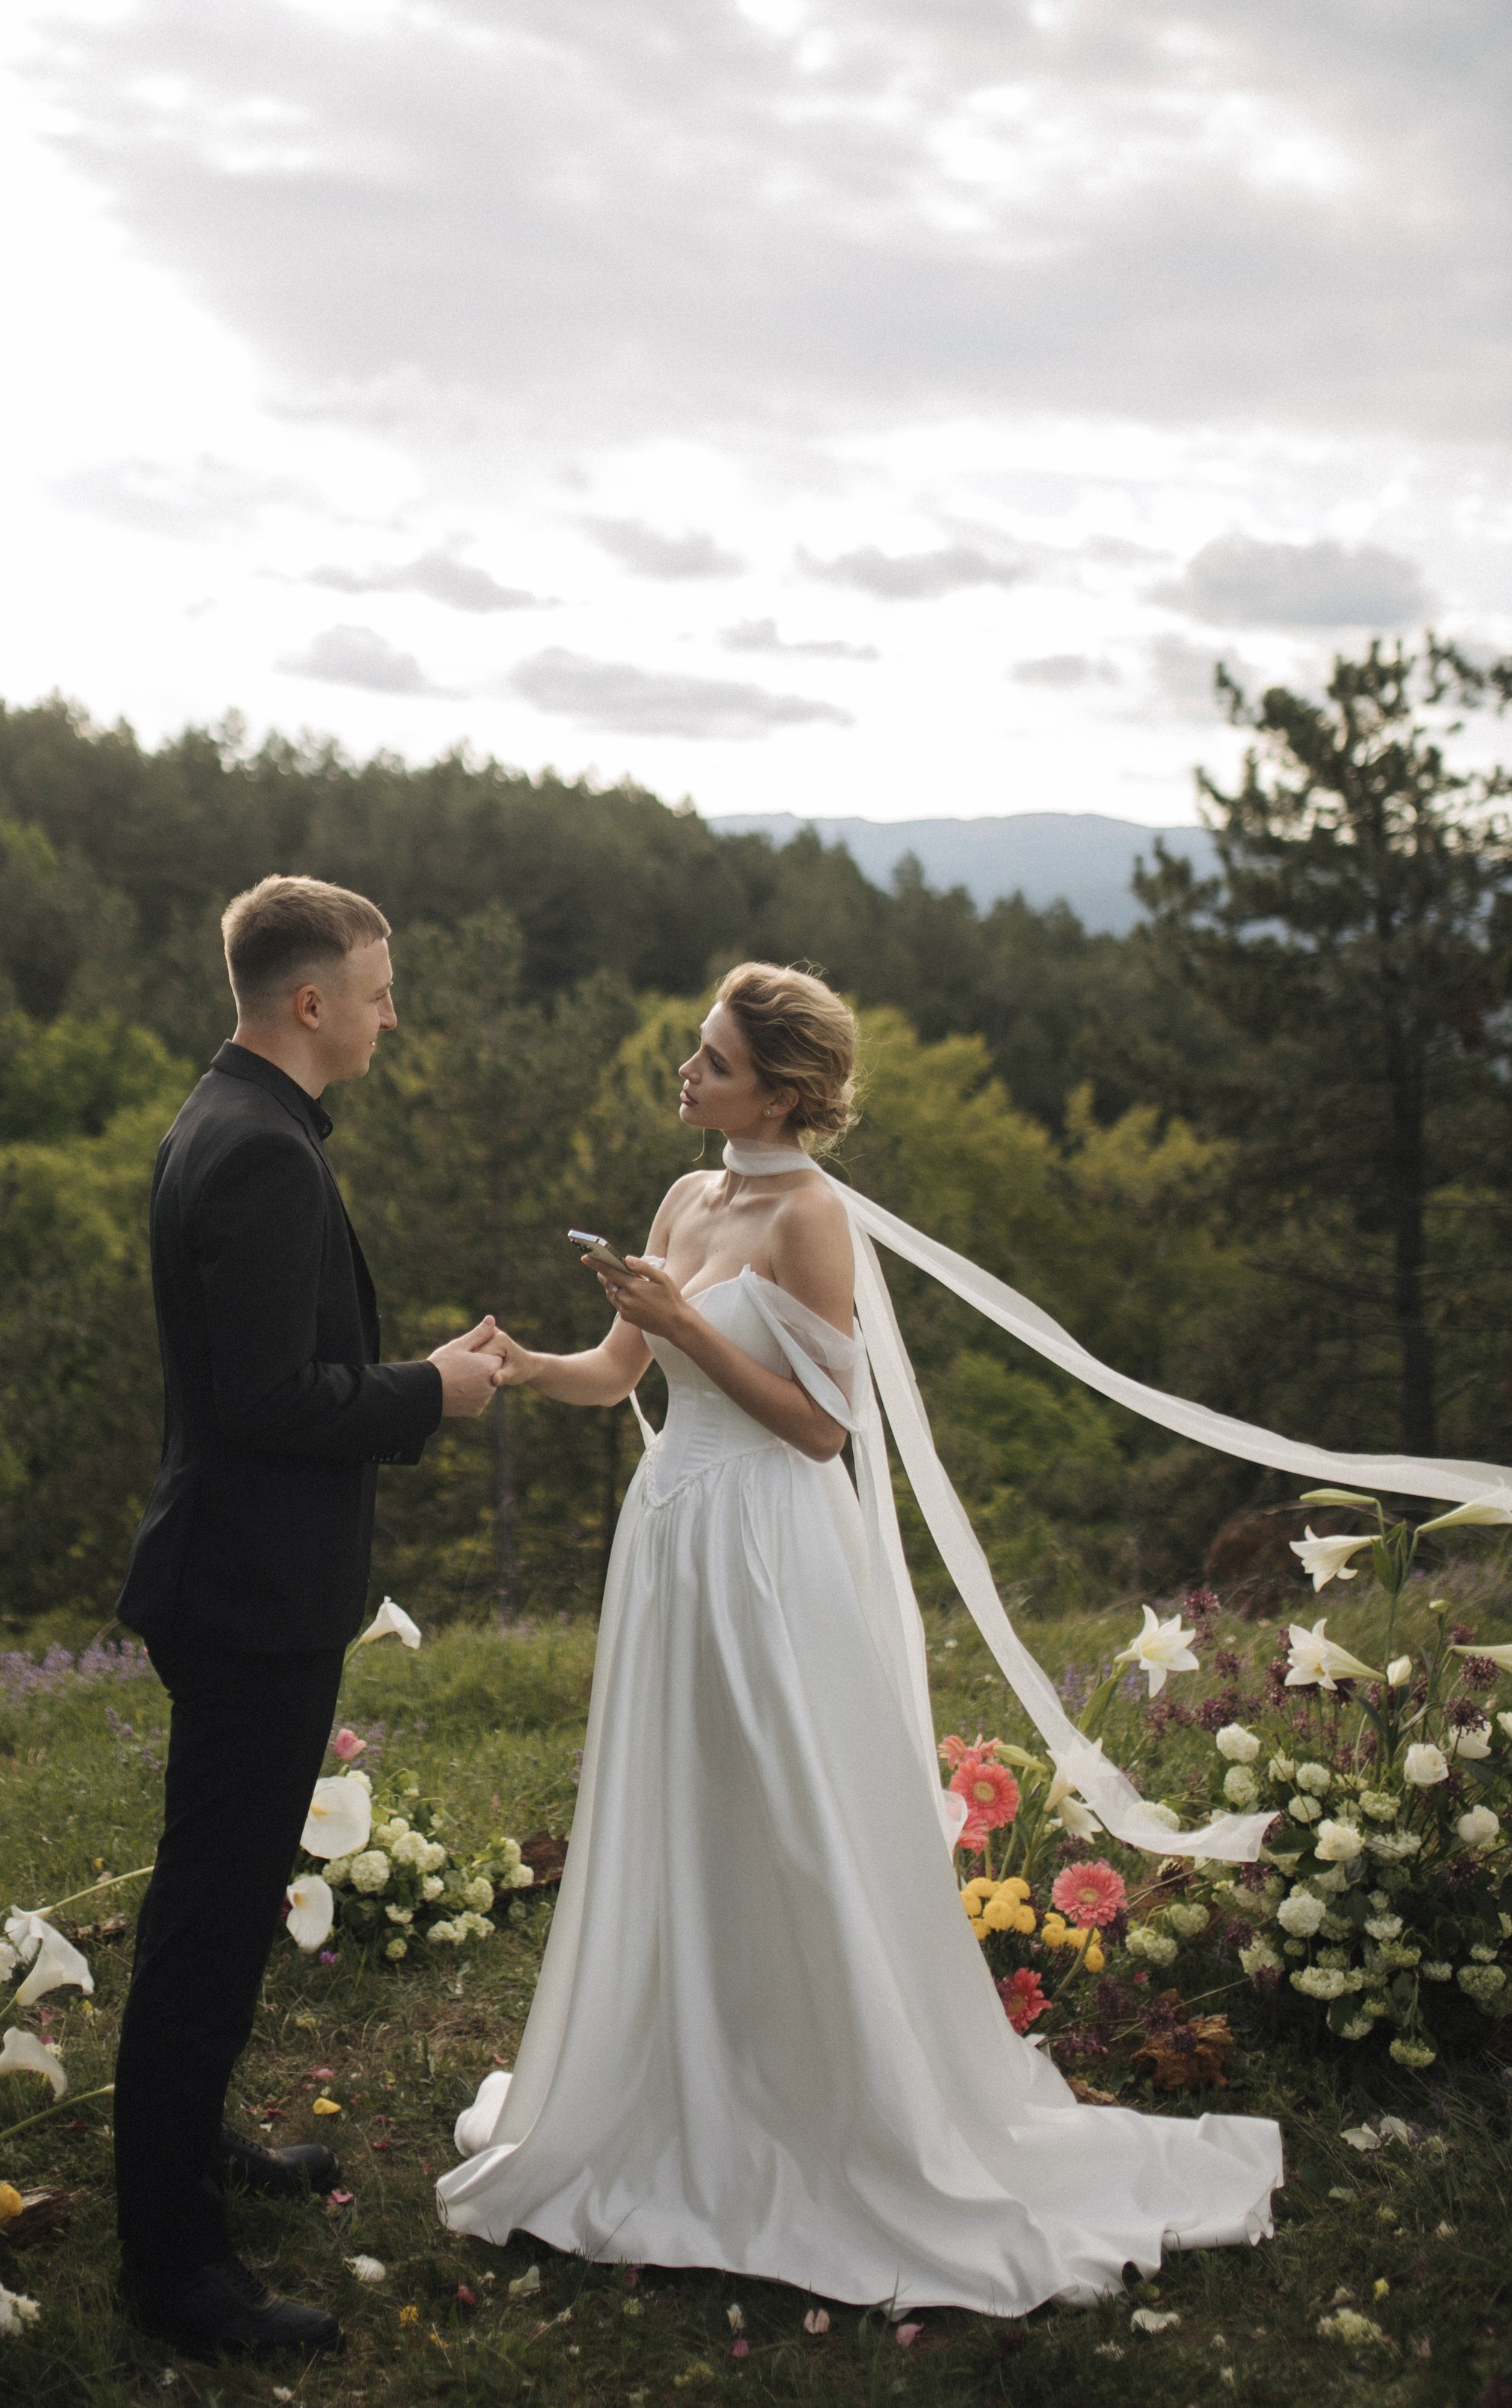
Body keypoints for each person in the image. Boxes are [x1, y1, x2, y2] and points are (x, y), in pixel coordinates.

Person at [437, 960, 1284, 2311]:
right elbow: (618, 1373)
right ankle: (675, 2070)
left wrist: (683, 1331)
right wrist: (538, 1365)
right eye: (696, 1051)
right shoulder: (685, 1195)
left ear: (783, 1087)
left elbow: (823, 1427)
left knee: (789, 1806)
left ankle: (823, 2092)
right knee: (682, 1803)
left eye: (713, 1059)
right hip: (672, 1532)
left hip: (769, 1542)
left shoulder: (814, 1221)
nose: (689, 1071)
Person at [114, 874, 501, 2359]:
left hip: (233, 1572)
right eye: (379, 986)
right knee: (208, 1924)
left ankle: (194, 2148)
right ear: (308, 1002)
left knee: (208, 1901)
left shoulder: (228, 1117)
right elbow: (271, 1403)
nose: (394, 1010)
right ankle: (176, 2271)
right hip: (248, 1589)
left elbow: (263, 1366)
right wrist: (434, 1395)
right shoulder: (263, 1154)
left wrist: (408, 1368)